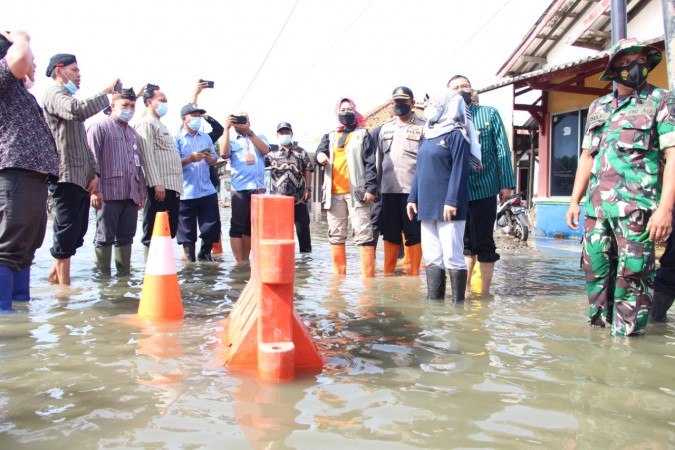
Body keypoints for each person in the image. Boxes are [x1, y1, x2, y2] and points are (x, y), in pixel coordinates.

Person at [565, 38, 675, 336]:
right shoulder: (598, 106)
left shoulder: (661, 100)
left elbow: (672, 154)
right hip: (597, 208)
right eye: (625, 63)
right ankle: (598, 341)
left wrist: (665, 209)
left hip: (637, 209)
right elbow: (587, 156)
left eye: (639, 61)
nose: (633, 68)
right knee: (595, 271)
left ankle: (628, 347)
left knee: (633, 276)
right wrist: (575, 201)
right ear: (613, 70)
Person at [43, 53, 118, 285]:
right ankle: (64, 292)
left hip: (81, 179)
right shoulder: (55, 94)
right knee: (66, 233)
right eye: (74, 70)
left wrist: (95, 173)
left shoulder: (69, 101)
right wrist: (106, 93)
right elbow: (77, 110)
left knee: (77, 234)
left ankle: (54, 280)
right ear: (59, 70)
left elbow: (85, 147)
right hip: (64, 176)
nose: (78, 75)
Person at [0, 30, 60, 311]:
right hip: (16, 173)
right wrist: (21, 37)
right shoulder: (3, 81)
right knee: (8, 249)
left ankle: (19, 310)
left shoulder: (20, 94)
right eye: (32, 59)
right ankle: (4, 314)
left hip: (33, 177)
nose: (34, 64)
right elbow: (21, 57)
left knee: (24, 250)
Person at [447, 75, 516, 295]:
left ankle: (484, 294)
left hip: (485, 187)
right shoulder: (446, 119)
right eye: (455, 88)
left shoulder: (489, 113)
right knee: (463, 243)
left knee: (484, 241)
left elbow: (503, 150)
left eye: (464, 86)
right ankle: (465, 293)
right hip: (457, 190)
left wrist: (506, 184)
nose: (460, 90)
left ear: (472, 90)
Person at [407, 92, 470, 301]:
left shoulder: (456, 134)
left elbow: (460, 171)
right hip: (426, 205)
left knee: (453, 256)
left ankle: (458, 307)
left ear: (445, 106)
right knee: (433, 257)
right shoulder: (428, 134)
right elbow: (419, 169)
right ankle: (435, 304)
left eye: (432, 102)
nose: (428, 106)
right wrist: (412, 197)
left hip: (449, 205)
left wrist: (452, 201)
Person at [315, 98, 377, 277]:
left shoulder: (364, 134)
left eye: (349, 109)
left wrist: (371, 188)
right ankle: (338, 278)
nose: (346, 112)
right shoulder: (330, 135)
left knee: (364, 234)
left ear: (355, 112)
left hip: (357, 193)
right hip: (333, 194)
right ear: (337, 112)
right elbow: (321, 152)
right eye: (343, 109)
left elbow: (370, 163)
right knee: (335, 234)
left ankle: (368, 280)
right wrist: (320, 155)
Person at [87, 88, 145, 275]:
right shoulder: (100, 127)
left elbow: (137, 165)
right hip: (108, 195)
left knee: (126, 238)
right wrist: (96, 191)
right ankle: (103, 282)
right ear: (112, 106)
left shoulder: (132, 133)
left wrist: (140, 193)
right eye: (124, 105)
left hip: (130, 195)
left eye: (132, 106)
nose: (129, 109)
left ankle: (123, 281)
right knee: (104, 237)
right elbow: (91, 160)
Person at [376, 86, 425, 275]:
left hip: (412, 191)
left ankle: (412, 276)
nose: (399, 105)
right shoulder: (385, 129)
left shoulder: (423, 126)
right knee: (389, 233)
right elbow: (379, 161)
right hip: (388, 191)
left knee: (413, 233)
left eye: (404, 101)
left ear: (412, 103)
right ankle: (388, 275)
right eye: (396, 101)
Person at [135, 84, 184, 257]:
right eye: (161, 101)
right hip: (159, 187)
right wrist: (156, 183)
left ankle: (164, 268)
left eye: (166, 101)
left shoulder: (161, 126)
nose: (165, 104)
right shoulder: (147, 124)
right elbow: (147, 155)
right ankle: (152, 272)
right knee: (153, 232)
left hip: (172, 186)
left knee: (166, 231)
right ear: (149, 102)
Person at [219, 112, 270, 266]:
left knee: (251, 226)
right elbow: (223, 153)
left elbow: (265, 150)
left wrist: (249, 132)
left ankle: (245, 259)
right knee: (237, 225)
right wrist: (226, 129)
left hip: (258, 189)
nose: (240, 123)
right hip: (240, 188)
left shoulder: (258, 136)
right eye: (236, 121)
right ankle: (238, 261)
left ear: (249, 121)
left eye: (243, 120)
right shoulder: (231, 139)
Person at [175, 103, 221, 262]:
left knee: (212, 227)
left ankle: (205, 254)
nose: (197, 119)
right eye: (193, 116)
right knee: (186, 233)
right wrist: (189, 159)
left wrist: (211, 159)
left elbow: (215, 159)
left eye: (198, 116)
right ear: (184, 119)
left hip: (207, 191)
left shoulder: (206, 137)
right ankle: (190, 261)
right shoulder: (177, 139)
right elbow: (172, 163)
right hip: (186, 192)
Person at [268, 122, 313, 253]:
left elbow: (308, 169)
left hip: (299, 199)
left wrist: (308, 188)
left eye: (287, 132)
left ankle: (306, 266)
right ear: (277, 135)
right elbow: (258, 167)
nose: (285, 134)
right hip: (279, 201)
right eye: (282, 132)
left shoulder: (301, 152)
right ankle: (283, 260)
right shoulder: (272, 154)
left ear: (292, 134)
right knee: (281, 235)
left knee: (303, 231)